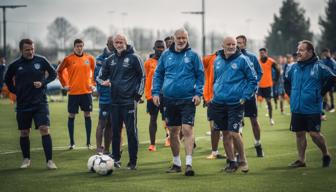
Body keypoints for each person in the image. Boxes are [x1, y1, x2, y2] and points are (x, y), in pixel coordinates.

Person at [152, 28, 204, 176]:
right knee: (173, 132)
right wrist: (155, 92)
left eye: (184, 38)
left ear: (187, 38)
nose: (181, 40)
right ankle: (176, 163)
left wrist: (198, 94)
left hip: (188, 99)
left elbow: (200, 76)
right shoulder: (165, 55)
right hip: (169, 99)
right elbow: (158, 74)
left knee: (187, 130)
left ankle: (188, 164)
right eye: (179, 38)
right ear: (174, 39)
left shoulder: (193, 55)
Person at [4, 38, 57, 169]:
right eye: (27, 50)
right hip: (23, 104)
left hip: (40, 103)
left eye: (32, 49)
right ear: (21, 50)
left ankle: (50, 161)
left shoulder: (41, 60)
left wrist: (43, 83)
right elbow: (7, 80)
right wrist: (16, 91)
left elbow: (53, 74)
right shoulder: (15, 65)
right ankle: (26, 159)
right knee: (24, 132)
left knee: (44, 129)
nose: (30, 52)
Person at [208, 36, 257, 173]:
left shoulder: (243, 60)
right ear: (222, 45)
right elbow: (216, 79)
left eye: (233, 44)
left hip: (235, 103)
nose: (231, 47)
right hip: (218, 103)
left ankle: (243, 161)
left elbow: (253, 80)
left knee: (235, 133)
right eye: (228, 44)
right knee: (225, 134)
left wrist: (245, 96)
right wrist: (213, 94)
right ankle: (232, 162)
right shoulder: (217, 60)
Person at [284, 40, 334, 168]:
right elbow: (286, 81)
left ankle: (326, 154)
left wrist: (321, 93)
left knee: (314, 134)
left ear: (310, 52)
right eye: (298, 49)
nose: (298, 52)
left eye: (301, 50)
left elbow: (332, 77)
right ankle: (301, 160)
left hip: (312, 107)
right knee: (299, 133)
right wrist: (291, 94)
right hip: (297, 107)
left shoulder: (319, 66)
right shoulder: (293, 67)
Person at [100, 34, 145, 170]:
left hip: (129, 102)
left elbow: (142, 77)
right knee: (115, 132)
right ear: (113, 44)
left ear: (126, 42)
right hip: (114, 102)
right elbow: (100, 77)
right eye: (116, 42)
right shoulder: (110, 59)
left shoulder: (134, 57)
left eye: (121, 42)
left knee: (131, 132)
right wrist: (104, 82)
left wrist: (137, 96)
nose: (119, 44)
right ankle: (116, 159)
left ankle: (133, 162)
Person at [57, 39, 95, 150]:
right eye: (77, 46)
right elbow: (59, 71)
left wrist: (92, 83)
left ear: (83, 47)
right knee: (71, 116)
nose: (79, 48)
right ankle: (72, 143)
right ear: (74, 47)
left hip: (86, 92)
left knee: (87, 115)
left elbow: (95, 72)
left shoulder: (90, 59)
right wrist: (64, 84)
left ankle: (88, 143)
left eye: (81, 46)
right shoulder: (68, 59)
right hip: (73, 93)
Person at [236, 35, 264, 157]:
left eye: (240, 43)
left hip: (250, 95)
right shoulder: (232, 57)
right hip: (236, 95)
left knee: (254, 120)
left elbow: (259, 72)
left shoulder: (252, 57)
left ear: (245, 44)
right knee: (237, 123)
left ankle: (258, 144)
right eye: (236, 42)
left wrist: (253, 87)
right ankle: (238, 152)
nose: (238, 45)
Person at [144, 40, 169, 152]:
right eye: (158, 47)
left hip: (166, 95)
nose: (160, 49)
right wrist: (146, 94)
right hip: (152, 95)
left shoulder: (167, 61)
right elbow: (144, 79)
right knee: (153, 118)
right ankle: (152, 144)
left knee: (168, 119)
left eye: (162, 47)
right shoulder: (148, 63)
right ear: (154, 48)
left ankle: (168, 138)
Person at [203, 52, 225, 160]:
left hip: (228, 98)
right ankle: (215, 152)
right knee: (214, 127)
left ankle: (234, 153)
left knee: (232, 129)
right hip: (211, 98)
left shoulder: (237, 59)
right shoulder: (210, 58)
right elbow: (198, 70)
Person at [94, 36, 114, 154]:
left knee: (111, 125)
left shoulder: (118, 56)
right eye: (112, 43)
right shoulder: (100, 59)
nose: (114, 45)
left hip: (116, 96)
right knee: (102, 122)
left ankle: (106, 150)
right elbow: (98, 77)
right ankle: (98, 148)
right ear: (107, 44)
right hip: (105, 96)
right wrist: (104, 83)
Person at [258, 48, 280, 125]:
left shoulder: (271, 61)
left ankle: (271, 119)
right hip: (259, 86)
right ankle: (256, 120)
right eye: (260, 53)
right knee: (256, 102)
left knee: (269, 102)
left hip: (268, 86)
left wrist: (275, 80)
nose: (262, 54)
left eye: (263, 53)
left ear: (266, 53)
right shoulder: (257, 61)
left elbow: (278, 70)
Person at [320, 48, 336, 113]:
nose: (325, 54)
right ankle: (326, 106)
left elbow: (334, 71)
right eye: (324, 53)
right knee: (324, 95)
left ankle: (332, 106)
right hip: (324, 80)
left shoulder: (332, 61)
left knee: (331, 93)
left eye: (326, 53)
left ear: (329, 52)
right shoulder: (324, 61)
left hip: (331, 80)